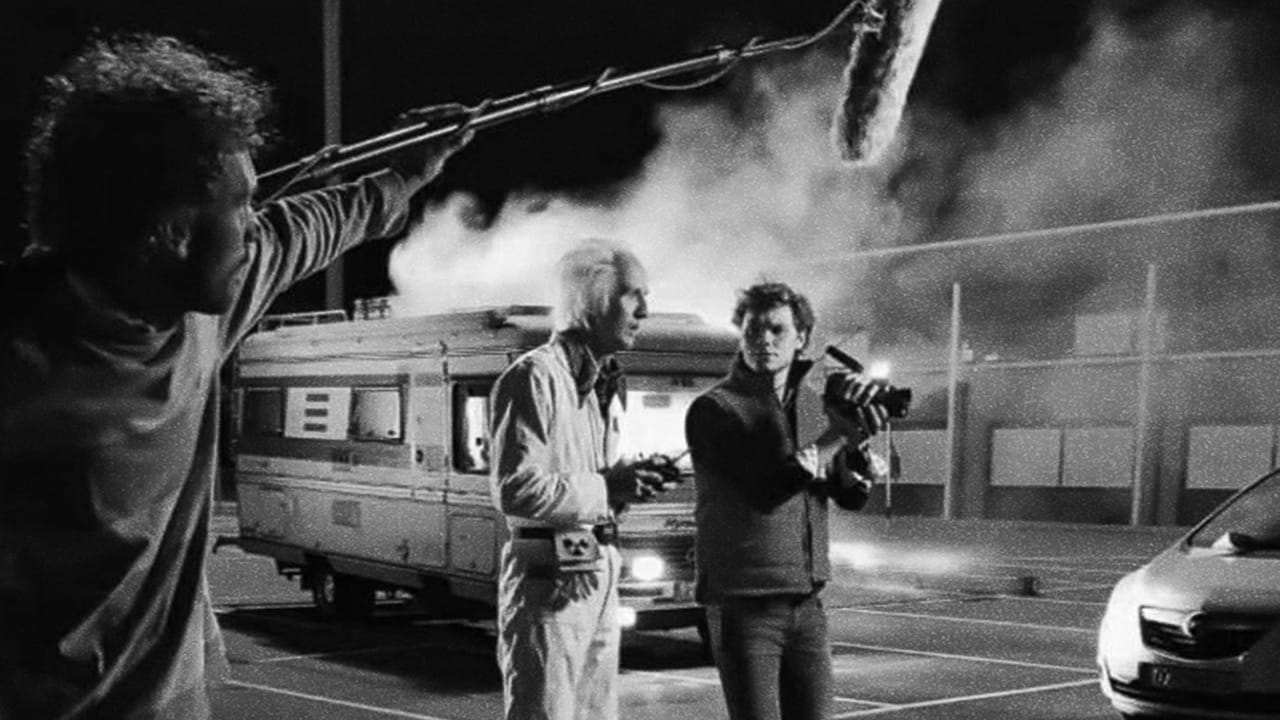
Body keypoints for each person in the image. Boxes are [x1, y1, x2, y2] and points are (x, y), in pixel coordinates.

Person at [0, 35, 469, 719]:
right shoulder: (22, 357)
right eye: (242, 204)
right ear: (171, 230)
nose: (256, 227)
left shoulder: (198, 308)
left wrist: (405, 174)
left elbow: (314, 223)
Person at [685, 281, 888, 720]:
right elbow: (765, 491)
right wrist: (837, 436)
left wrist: (857, 450)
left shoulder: (814, 407)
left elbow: (848, 497)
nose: (764, 339)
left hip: (806, 606)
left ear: (802, 338)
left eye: (777, 329)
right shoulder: (715, 409)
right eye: (753, 329)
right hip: (745, 606)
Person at [489, 240, 665, 720]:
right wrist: (608, 487)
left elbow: (583, 489)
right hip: (548, 582)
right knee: (546, 711)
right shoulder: (533, 377)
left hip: (591, 572)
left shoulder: (603, 384)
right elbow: (515, 489)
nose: (644, 311)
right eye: (633, 294)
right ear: (591, 299)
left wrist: (624, 490)